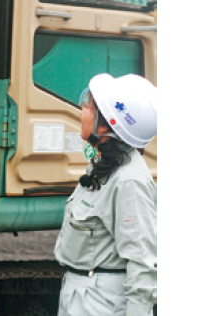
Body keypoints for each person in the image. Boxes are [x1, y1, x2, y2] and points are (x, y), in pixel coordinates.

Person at [54, 73, 157, 316]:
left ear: (105, 124)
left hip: (101, 301)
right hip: (83, 293)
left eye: (88, 106)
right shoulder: (104, 166)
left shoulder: (128, 180)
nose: (81, 112)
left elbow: (142, 261)